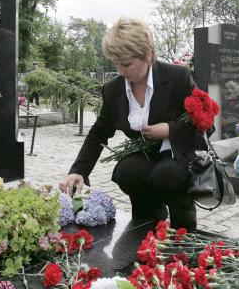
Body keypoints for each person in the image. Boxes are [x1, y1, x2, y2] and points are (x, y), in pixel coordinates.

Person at [59, 16, 208, 230]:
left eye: (126, 64)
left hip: (178, 154)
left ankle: (183, 226)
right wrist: (78, 171)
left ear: (148, 54)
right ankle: (148, 221)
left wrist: (169, 130)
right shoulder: (113, 90)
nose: (120, 71)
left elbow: (205, 123)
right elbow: (99, 133)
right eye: (116, 63)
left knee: (166, 175)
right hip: (146, 155)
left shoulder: (177, 78)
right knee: (127, 171)